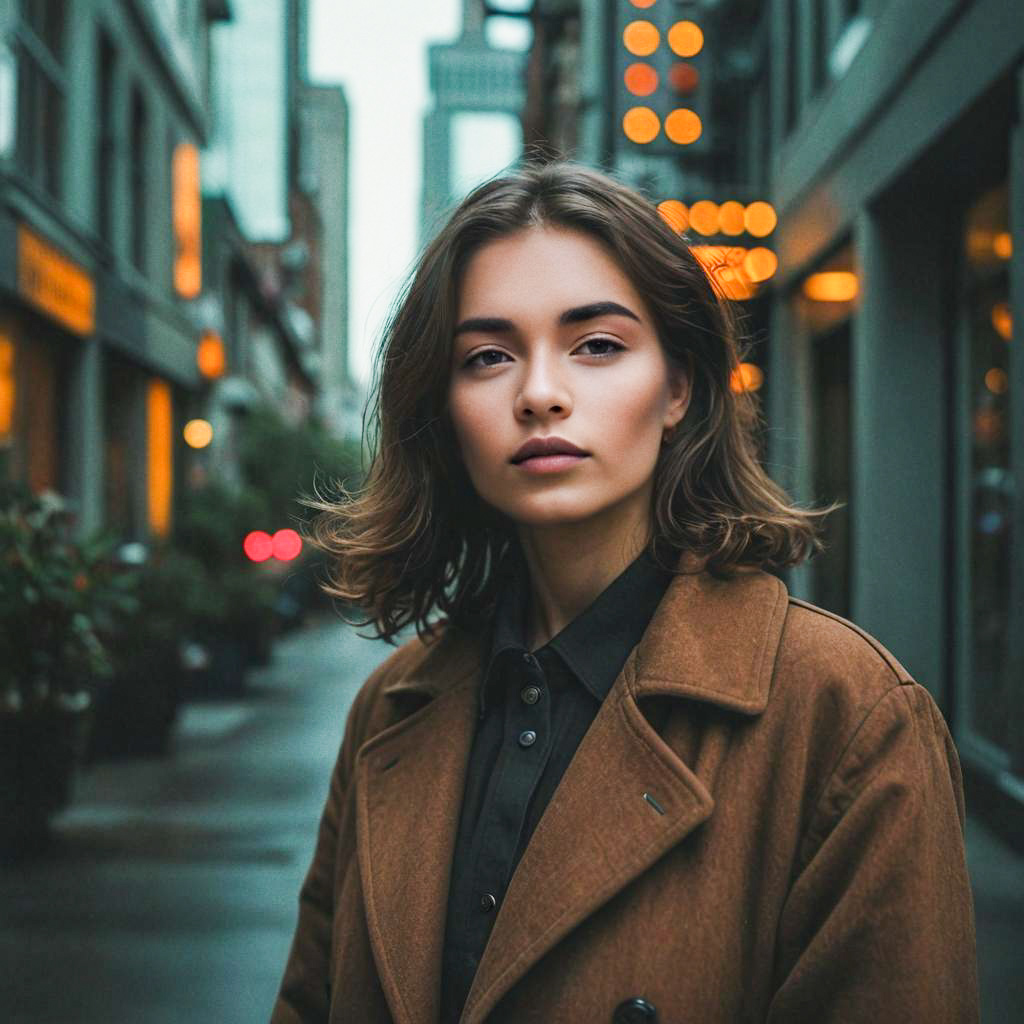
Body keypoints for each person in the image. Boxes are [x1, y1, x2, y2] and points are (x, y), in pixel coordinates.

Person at [269, 162, 979, 1024]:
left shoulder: (849, 720)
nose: (539, 393)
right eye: (487, 356)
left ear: (678, 387)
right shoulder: (392, 707)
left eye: (597, 344)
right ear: (444, 411)